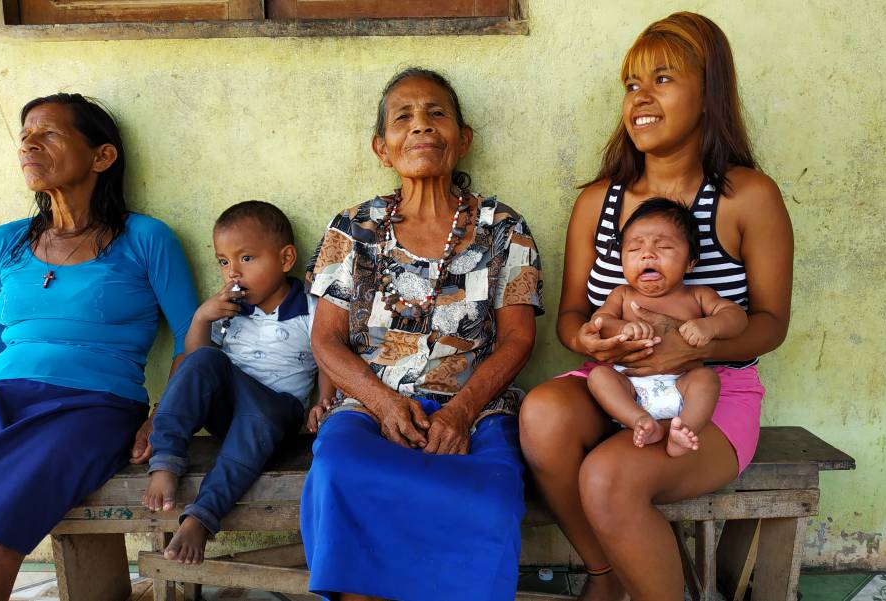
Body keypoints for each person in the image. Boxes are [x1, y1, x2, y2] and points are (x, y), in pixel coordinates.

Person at [519, 12, 794, 601]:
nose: (640, 98)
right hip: (617, 382)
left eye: (662, 79)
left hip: (710, 394)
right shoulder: (599, 201)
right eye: (632, 84)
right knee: (541, 414)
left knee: (608, 479)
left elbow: (772, 324)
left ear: (708, 92)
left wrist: (693, 343)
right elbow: (570, 316)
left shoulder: (746, 196)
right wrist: (588, 341)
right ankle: (606, 572)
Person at [300, 67, 543, 601]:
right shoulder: (353, 228)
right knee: (341, 468)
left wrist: (460, 411)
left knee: (490, 498)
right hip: (369, 406)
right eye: (402, 118)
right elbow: (326, 340)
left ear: (464, 139)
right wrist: (384, 404)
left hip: (474, 410)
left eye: (437, 114)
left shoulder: (504, 228)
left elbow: (518, 339)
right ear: (381, 148)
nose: (421, 127)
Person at [0, 93, 198, 600]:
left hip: (90, 408)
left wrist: (163, 416)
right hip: (2, 397)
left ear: (102, 157)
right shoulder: (4, 242)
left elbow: (196, 338)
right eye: (25, 136)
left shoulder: (145, 238)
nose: (29, 145)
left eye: (49, 133)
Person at [142, 200, 331, 565]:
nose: (233, 273)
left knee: (257, 416)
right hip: (229, 411)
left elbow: (326, 358)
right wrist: (200, 319)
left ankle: (201, 517)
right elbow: (196, 364)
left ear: (286, 258)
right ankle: (165, 460)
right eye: (224, 261)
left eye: (246, 259)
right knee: (204, 358)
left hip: (276, 412)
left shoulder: (310, 307)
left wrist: (324, 401)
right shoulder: (227, 309)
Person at [584, 198, 747, 456]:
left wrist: (711, 325)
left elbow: (737, 317)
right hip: (631, 387)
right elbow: (599, 324)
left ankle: (684, 432)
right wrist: (623, 328)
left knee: (707, 380)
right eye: (634, 250)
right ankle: (639, 421)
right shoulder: (622, 295)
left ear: (690, 262)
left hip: (682, 384)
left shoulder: (698, 295)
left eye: (664, 246)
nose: (647, 254)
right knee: (599, 378)